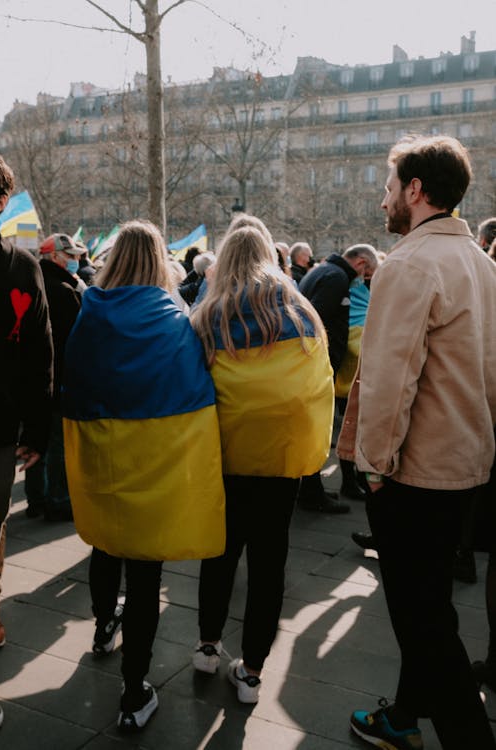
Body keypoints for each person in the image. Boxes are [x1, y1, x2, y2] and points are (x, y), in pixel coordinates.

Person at [341, 135, 496, 750]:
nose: (383, 203)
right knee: (430, 605)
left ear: (414, 190)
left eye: (388, 188)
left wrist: (373, 466)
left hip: (415, 470)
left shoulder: (407, 264)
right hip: (467, 460)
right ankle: (403, 716)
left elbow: (388, 379)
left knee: (422, 620)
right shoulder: (483, 265)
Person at [62, 220, 225, 733]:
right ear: (160, 259)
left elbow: (74, 380)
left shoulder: (89, 312)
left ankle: (101, 628)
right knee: (146, 573)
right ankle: (134, 693)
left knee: (104, 546)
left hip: (104, 458)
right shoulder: (173, 316)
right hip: (156, 463)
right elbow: (196, 387)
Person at [190, 222, 333, 703]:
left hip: (225, 457)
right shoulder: (302, 312)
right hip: (281, 459)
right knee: (270, 564)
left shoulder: (207, 315)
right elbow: (320, 384)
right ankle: (251, 674)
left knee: (219, 554)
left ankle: (207, 648)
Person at [0, 154, 53, 729]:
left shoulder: (24, 268)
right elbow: (40, 354)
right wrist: (37, 431)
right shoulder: (20, 266)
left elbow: (39, 352)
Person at [297, 243, 378, 513]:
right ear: (361, 263)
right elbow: (316, 319)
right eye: (367, 275)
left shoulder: (325, 271)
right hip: (321, 364)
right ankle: (311, 491)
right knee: (317, 428)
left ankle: (312, 488)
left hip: (317, 363)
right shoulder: (336, 278)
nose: (364, 281)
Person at [26, 234, 83, 521]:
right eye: (70, 256)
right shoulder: (64, 291)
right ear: (55, 257)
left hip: (33, 377)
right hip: (59, 378)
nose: (76, 260)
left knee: (36, 439)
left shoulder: (34, 282)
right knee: (56, 444)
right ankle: (57, 500)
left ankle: (35, 499)